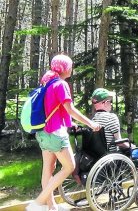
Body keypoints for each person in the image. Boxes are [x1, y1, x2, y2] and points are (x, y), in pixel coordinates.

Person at [26, 54, 101, 211]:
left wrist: (69, 122)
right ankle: (38, 203)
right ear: (65, 68)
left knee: (48, 168)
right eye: (70, 66)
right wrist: (90, 123)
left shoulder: (47, 82)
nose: (71, 69)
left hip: (42, 132)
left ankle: (51, 207)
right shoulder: (61, 84)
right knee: (69, 166)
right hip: (55, 134)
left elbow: (55, 109)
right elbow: (70, 109)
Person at [91, 88, 135, 152]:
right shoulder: (111, 117)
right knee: (136, 151)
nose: (111, 104)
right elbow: (119, 142)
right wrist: (132, 146)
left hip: (96, 155)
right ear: (106, 103)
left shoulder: (93, 119)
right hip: (111, 156)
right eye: (110, 101)